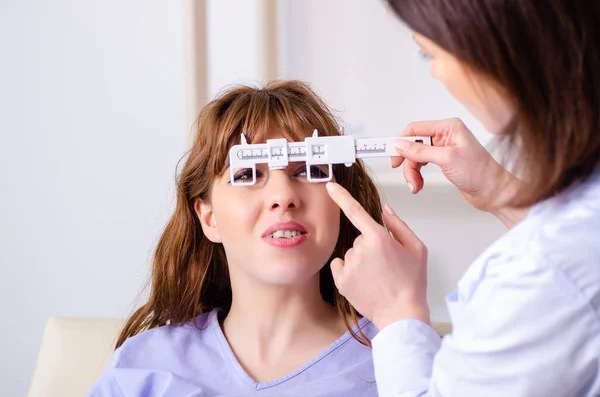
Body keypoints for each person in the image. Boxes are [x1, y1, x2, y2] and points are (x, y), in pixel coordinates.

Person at [324, 1, 600, 396]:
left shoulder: (541, 275)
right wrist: (502, 192)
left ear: (491, 45)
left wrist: (397, 311)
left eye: (429, 53)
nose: (435, 72)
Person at [87, 80, 393, 397]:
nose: (283, 196)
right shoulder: (143, 366)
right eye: (247, 174)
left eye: (307, 170)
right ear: (209, 217)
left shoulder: (399, 356)